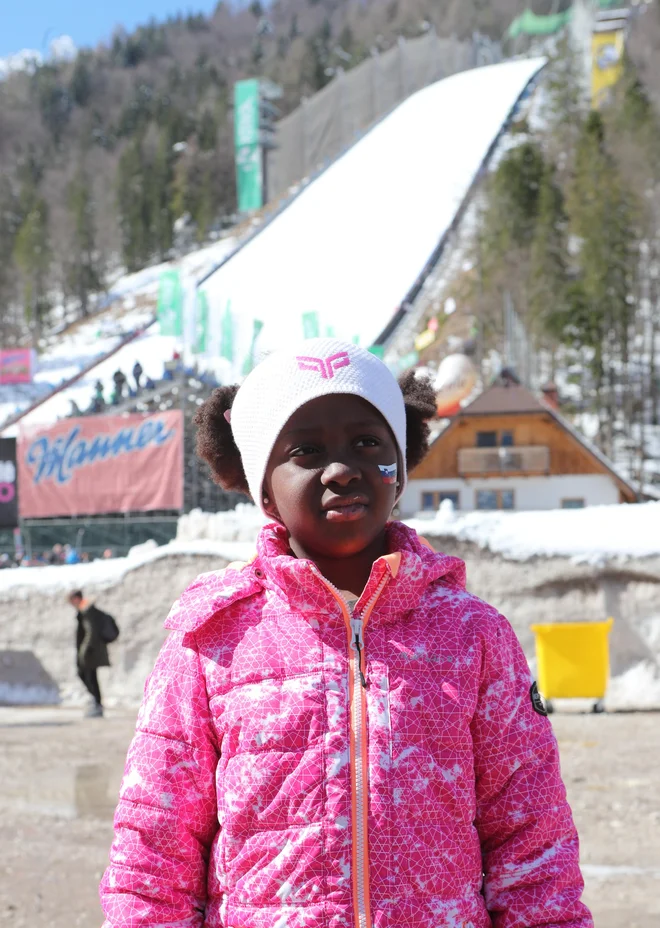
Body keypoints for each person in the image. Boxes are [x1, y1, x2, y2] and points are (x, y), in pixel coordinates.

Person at [100, 338, 592, 928]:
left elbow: (532, 840)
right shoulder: (212, 641)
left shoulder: (474, 636)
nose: (341, 469)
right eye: (305, 450)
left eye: (367, 442)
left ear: (400, 466)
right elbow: (153, 853)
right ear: (262, 486)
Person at [69, 589, 110, 718]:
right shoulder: (85, 610)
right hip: (89, 650)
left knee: (89, 676)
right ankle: (96, 702)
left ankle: (97, 704)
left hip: (89, 652)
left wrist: (84, 650)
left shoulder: (87, 611)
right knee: (88, 676)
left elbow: (90, 632)